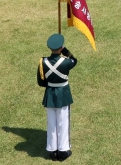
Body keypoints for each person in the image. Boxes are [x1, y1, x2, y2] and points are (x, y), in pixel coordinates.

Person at [38, 33, 77, 161]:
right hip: (63, 94)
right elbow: (74, 60)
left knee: (52, 123)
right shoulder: (66, 62)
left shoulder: (43, 62)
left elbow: (40, 81)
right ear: (61, 48)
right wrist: (66, 51)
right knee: (63, 122)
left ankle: (52, 150)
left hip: (50, 93)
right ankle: (63, 150)